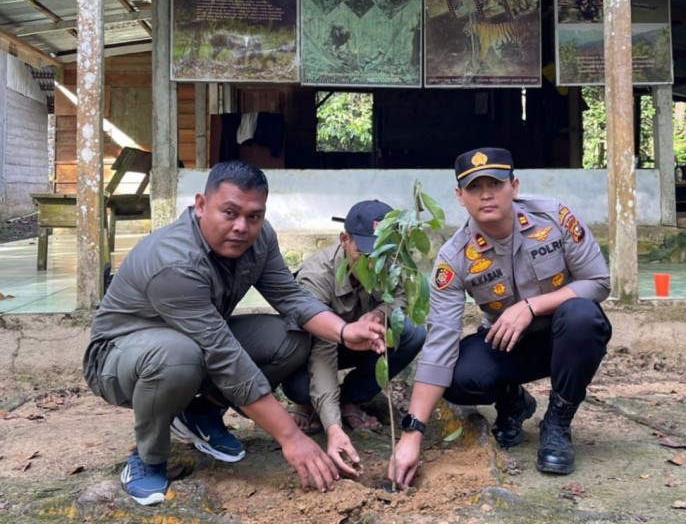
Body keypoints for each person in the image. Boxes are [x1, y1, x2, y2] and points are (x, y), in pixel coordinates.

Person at [82, 161, 385, 506]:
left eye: (253, 216)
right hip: (120, 359)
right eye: (230, 212)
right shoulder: (174, 261)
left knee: (291, 339)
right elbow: (224, 356)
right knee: (178, 356)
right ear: (200, 205)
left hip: (197, 343)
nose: (242, 227)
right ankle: (148, 458)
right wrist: (290, 436)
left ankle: (201, 414)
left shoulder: (260, 238)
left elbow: (290, 297)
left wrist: (345, 331)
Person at [388, 147, 612, 487]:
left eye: (495, 183)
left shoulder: (555, 219)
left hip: (565, 338)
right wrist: (412, 432)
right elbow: (439, 344)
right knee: (459, 375)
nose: (486, 194)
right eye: (474, 187)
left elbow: (598, 283)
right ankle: (514, 400)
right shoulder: (454, 257)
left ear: (515, 186)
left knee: (583, 316)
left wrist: (531, 307)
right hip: (510, 346)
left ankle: (557, 422)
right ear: (460, 196)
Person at [282, 200, 427, 453]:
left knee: (412, 333)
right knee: (300, 388)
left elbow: (401, 298)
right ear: (344, 239)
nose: (373, 265)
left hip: (359, 344)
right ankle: (313, 404)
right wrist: (333, 428)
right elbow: (321, 353)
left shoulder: (392, 263)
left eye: (382, 255)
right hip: (315, 349)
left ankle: (351, 398)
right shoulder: (316, 277)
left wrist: (381, 313)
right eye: (365, 255)